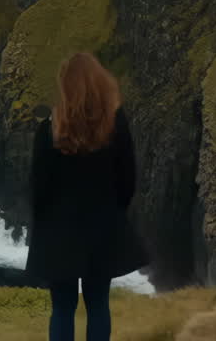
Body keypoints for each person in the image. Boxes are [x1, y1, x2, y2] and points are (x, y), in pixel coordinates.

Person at [26, 52, 147, 341]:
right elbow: (128, 180)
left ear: (65, 86)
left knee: (63, 309)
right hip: (102, 228)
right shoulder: (116, 125)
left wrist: (42, 223)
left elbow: (38, 186)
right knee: (98, 305)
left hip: (59, 230)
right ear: (99, 82)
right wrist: (114, 212)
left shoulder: (50, 128)